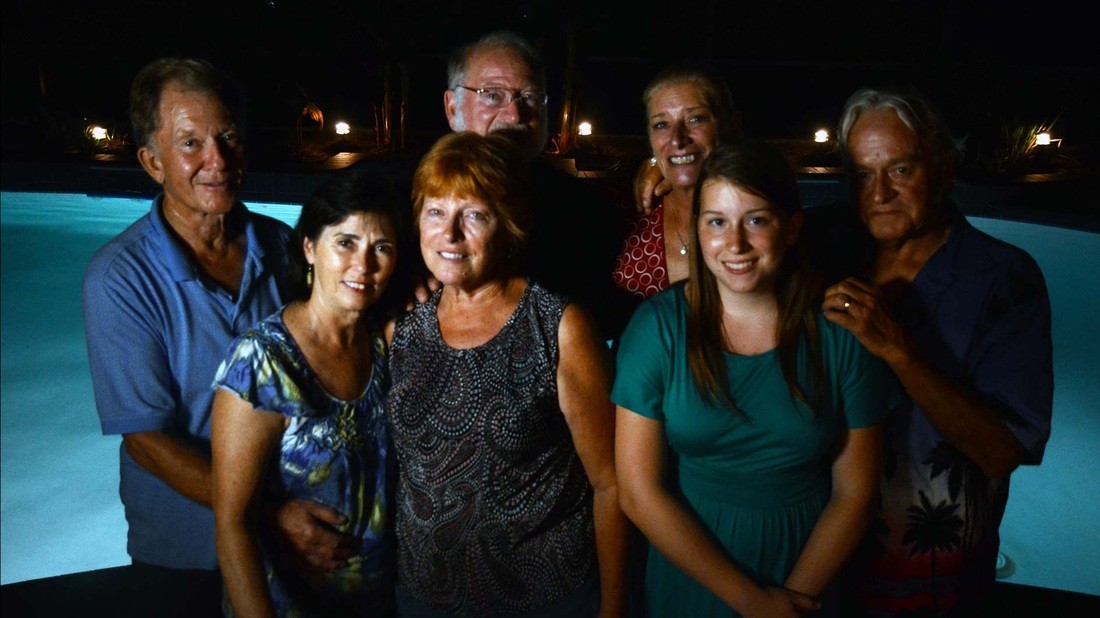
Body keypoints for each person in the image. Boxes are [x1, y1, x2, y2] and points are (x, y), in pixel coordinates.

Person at [613, 140, 899, 617]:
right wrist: (754, 602)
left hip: (807, 567)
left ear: (793, 228)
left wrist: (790, 603)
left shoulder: (841, 335)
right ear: (697, 229)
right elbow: (638, 493)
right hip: (690, 564)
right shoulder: (657, 329)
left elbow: (855, 495)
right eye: (716, 222)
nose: (735, 244)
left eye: (757, 220)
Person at [822, 87, 1054, 615]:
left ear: (944, 169)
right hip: (820, 560)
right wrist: (663, 182)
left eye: (901, 170)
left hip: (932, 576)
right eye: (863, 174)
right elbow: (736, 223)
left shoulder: (1003, 278)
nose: (880, 193)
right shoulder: (828, 249)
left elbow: (1002, 452)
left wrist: (899, 351)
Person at [384, 131, 628, 617]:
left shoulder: (559, 327)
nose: (449, 234)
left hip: (544, 597)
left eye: (474, 215)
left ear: (509, 223)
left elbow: (610, 483)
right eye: (435, 212)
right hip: (424, 595)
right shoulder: (402, 329)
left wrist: (614, 609)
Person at [81, 57, 293, 613]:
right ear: (152, 162)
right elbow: (147, 440)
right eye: (191, 144)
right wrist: (270, 514)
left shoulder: (286, 248)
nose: (216, 160)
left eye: (228, 138)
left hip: (291, 542)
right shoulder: (120, 277)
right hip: (187, 552)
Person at [211, 166, 403, 616]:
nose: (363, 265)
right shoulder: (261, 362)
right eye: (345, 243)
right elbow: (232, 524)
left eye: (382, 248)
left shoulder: (384, 344)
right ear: (309, 247)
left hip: (375, 603)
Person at [440, 29, 624, 340]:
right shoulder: (405, 206)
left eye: (530, 97)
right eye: (492, 95)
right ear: (452, 107)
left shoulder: (590, 213)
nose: (515, 115)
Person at [611, 65, 740, 301]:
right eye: (661, 125)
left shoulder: (757, 211)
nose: (677, 139)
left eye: (696, 119)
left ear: (730, 126)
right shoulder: (626, 212)